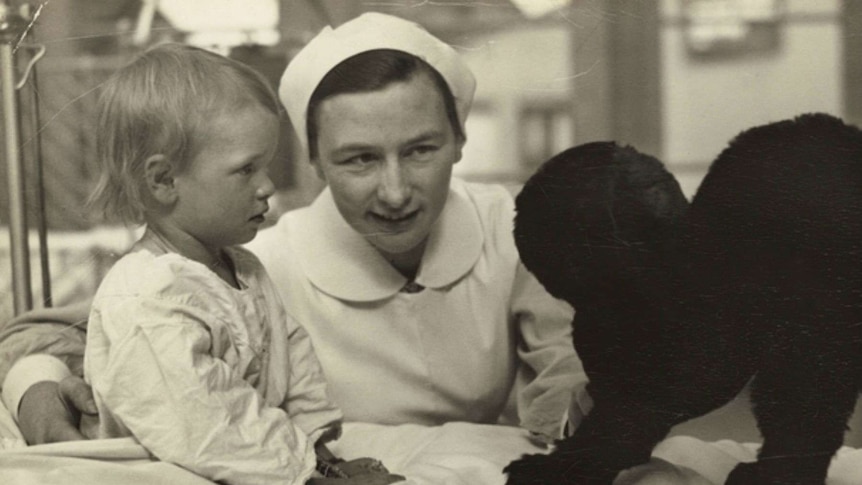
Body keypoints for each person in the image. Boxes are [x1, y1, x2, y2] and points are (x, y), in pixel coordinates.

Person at [2, 12, 586, 451]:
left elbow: (572, 364)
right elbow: (39, 335)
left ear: (460, 141)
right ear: (314, 163)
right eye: (358, 159)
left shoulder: (517, 230)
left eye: (421, 150)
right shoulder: (254, 259)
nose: (395, 191)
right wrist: (37, 391)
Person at [68, 42, 400, 485]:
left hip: (258, 464)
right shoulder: (147, 296)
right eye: (246, 170)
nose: (266, 187)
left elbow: (293, 362)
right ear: (164, 180)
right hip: (169, 469)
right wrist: (303, 476)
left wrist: (317, 453)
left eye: (265, 166)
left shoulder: (242, 268)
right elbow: (202, 425)